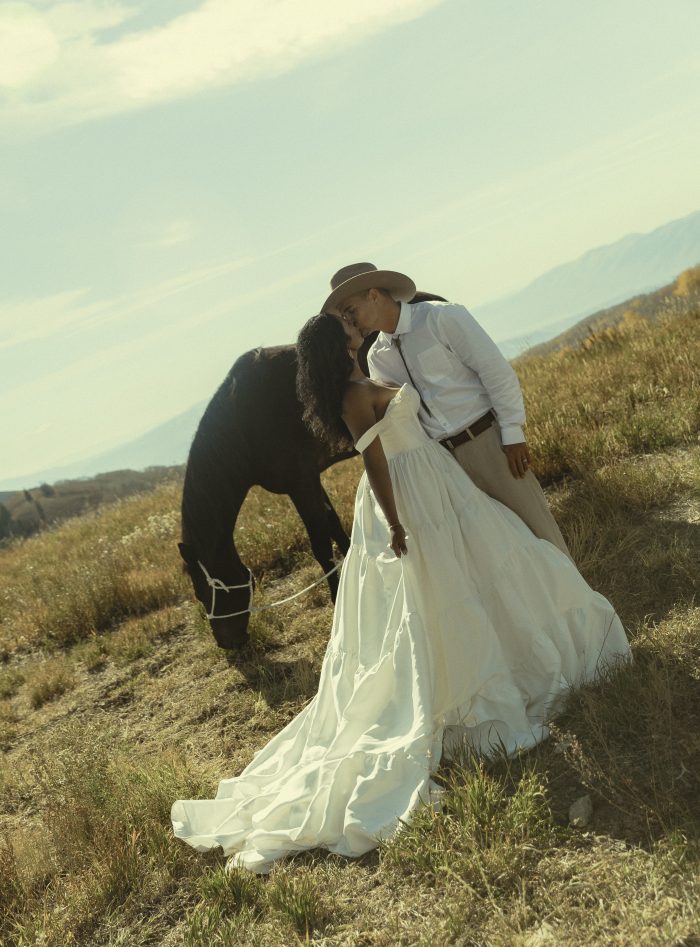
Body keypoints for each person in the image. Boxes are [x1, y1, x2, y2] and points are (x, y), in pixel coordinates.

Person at [170, 311, 630, 875]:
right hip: (410, 490)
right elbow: (374, 461)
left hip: (436, 479)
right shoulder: (352, 395)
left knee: (488, 566)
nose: (356, 335)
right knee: (439, 593)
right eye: (347, 336)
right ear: (333, 351)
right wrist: (393, 523)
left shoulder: (370, 371)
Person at [323, 262, 571, 559]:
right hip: (443, 465)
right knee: (494, 552)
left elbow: (496, 372)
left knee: (539, 530)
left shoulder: (442, 318)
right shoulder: (378, 358)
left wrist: (512, 432)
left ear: (373, 295)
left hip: (489, 445)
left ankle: (579, 602)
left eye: (351, 310)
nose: (350, 320)